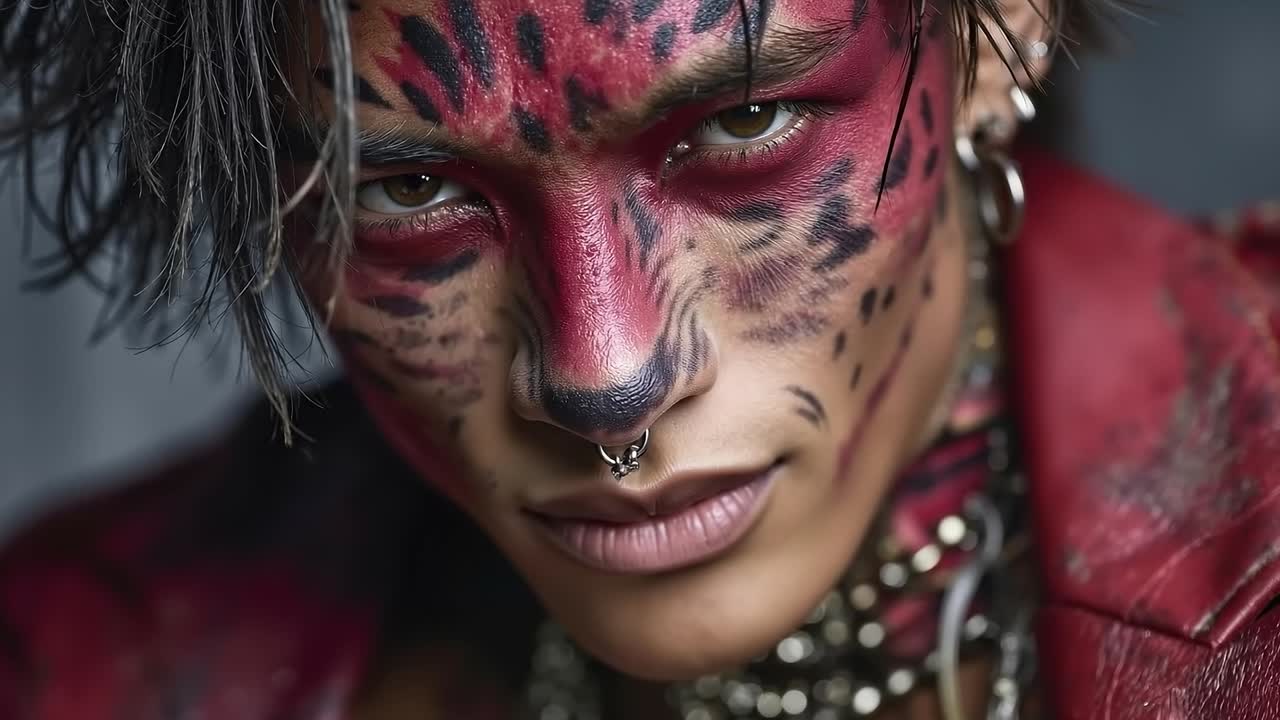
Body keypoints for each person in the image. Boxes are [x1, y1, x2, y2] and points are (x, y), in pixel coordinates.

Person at [2, 1, 1278, 718]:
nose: (604, 373)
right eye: (401, 193)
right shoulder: (79, 664)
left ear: (997, 33)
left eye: (741, 123)